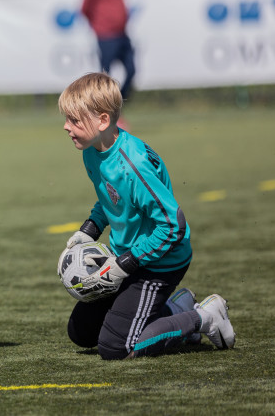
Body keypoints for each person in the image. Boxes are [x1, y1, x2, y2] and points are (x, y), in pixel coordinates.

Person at [58, 72, 235, 359]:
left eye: (75, 120)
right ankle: (175, 308)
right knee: (82, 333)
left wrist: (126, 263)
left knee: (117, 348)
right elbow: (111, 196)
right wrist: (90, 228)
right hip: (126, 258)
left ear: (103, 121)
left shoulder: (133, 164)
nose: (66, 127)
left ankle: (203, 318)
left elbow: (172, 225)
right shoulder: (92, 151)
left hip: (159, 263)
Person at [81, 0, 136, 103]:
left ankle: (117, 107)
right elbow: (86, 6)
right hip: (105, 33)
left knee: (132, 70)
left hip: (122, 33)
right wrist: (99, 24)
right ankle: (103, 111)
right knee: (105, 78)